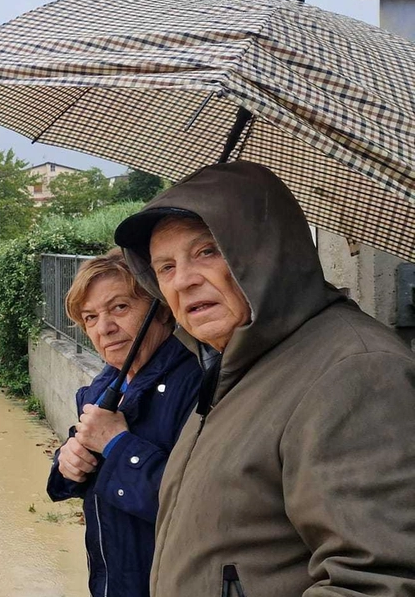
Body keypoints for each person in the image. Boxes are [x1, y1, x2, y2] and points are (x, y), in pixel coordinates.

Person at [112, 161, 415, 597]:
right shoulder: (237, 364)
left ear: (270, 250)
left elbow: (379, 582)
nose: (183, 281)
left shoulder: (357, 371)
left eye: (208, 251)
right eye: (165, 267)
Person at [46, 251, 203, 597]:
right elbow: (77, 463)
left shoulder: (199, 387)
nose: (105, 328)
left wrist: (118, 446)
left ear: (161, 309)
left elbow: (199, 510)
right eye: (90, 317)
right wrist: (67, 463)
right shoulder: (104, 385)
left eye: (120, 308)